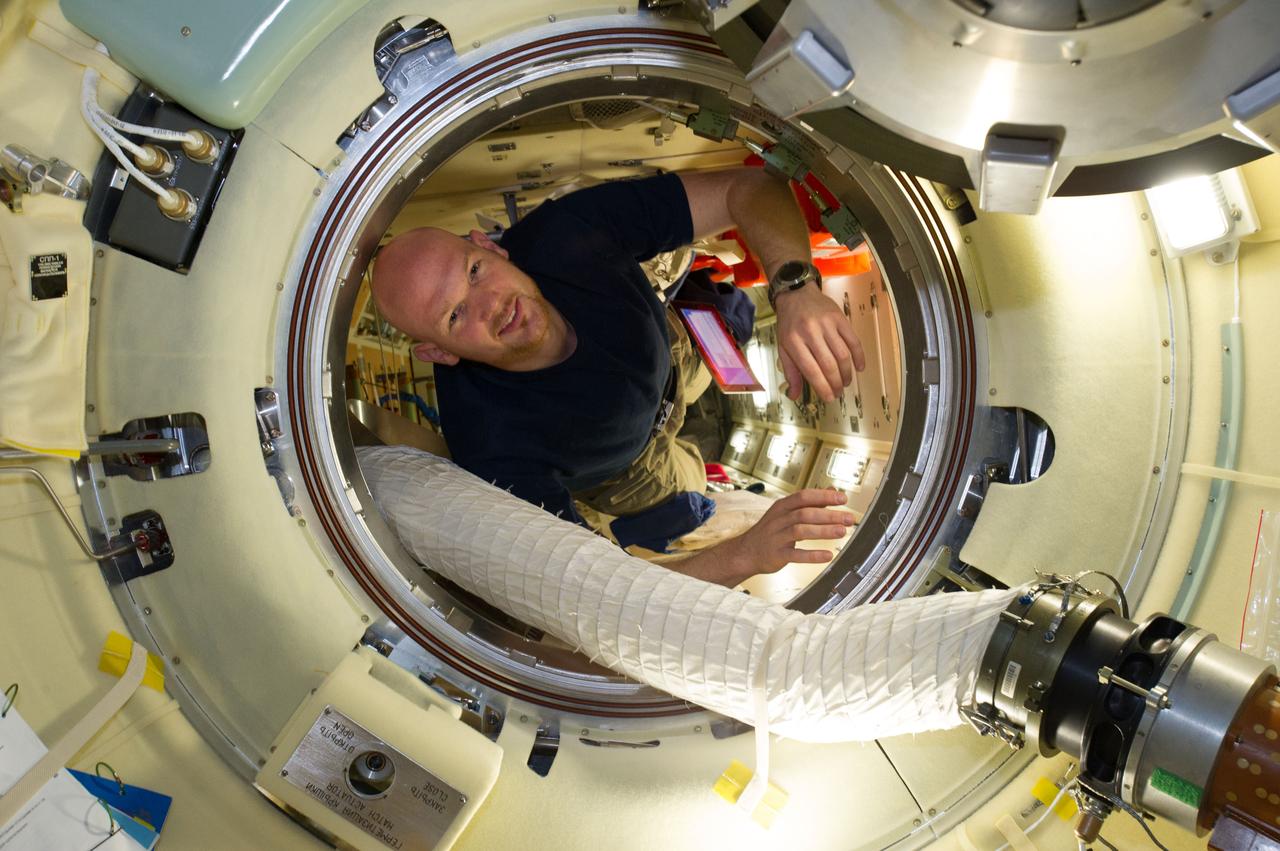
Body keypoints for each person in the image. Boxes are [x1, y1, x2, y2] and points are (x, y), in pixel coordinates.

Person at [371, 167, 865, 587]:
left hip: (666, 353)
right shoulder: (489, 445)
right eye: (456, 315)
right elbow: (598, 591)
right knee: (695, 491)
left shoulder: (566, 233)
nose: (491, 305)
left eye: (475, 271)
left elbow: (749, 187)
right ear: (439, 352)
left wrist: (794, 286)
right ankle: (700, 473)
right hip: (633, 467)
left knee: (718, 355)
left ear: (490, 247)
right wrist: (742, 556)